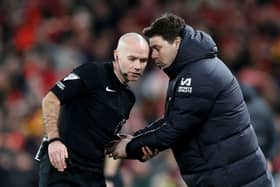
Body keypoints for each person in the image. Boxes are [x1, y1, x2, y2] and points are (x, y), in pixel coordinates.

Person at [106, 13, 275, 187]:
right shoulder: (189, 70)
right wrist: (136, 139)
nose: (153, 56)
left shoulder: (198, 74)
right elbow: (171, 122)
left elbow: (173, 130)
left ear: (177, 42)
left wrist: (129, 147)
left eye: (157, 48)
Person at [37, 32, 150, 187]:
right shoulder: (92, 73)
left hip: (93, 174)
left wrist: (134, 148)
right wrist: (54, 140)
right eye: (132, 59)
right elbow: (51, 99)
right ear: (117, 55)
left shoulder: (128, 99)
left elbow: (106, 142)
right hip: (63, 166)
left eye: (143, 60)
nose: (138, 66)